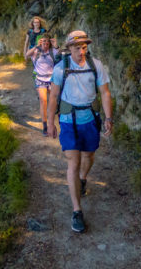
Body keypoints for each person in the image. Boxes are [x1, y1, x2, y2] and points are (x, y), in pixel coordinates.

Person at [46, 30, 113, 233]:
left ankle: (83, 179)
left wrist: (109, 118)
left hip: (90, 119)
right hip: (68, 121)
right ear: (69, 49)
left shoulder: (96, 65)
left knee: (89, 156)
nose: (81, 51)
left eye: (84, 47)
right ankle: (77, 210)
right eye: (77, 48)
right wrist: (50, 122)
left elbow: (105, 92)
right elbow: (53, 96)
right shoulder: (61, 68)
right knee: (73, 162)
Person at [25, 34, 58, 134]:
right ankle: (45, 126)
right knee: (43, 101)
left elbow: (61, 56)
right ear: (40, 42)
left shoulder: (53, 51)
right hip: (40, 79)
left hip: (52, 79)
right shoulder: (36, 51)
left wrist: (56, 45)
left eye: (47, 42)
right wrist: (36, 45)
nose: (45, 43)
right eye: (43, 41)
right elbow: (27, 55)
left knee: (55, 100)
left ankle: (56, 118)